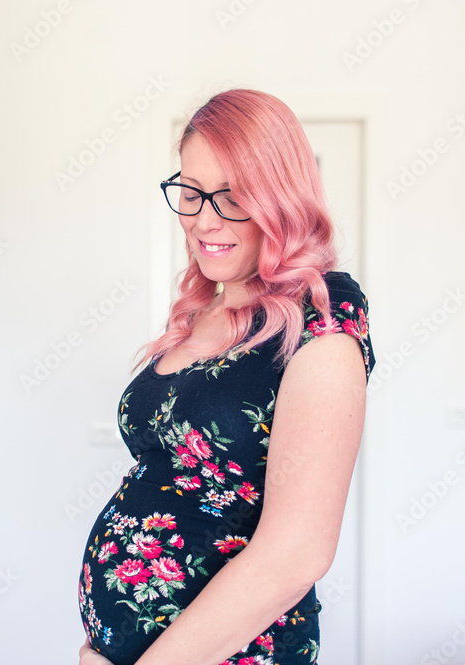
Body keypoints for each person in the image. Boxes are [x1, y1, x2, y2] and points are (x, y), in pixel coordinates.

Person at [76, 88, 375, 665]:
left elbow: (298, 552)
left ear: (280, 197)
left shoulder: (323, 312)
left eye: (232, 195)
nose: (203, 219)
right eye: (191, 192)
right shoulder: (204, 310)